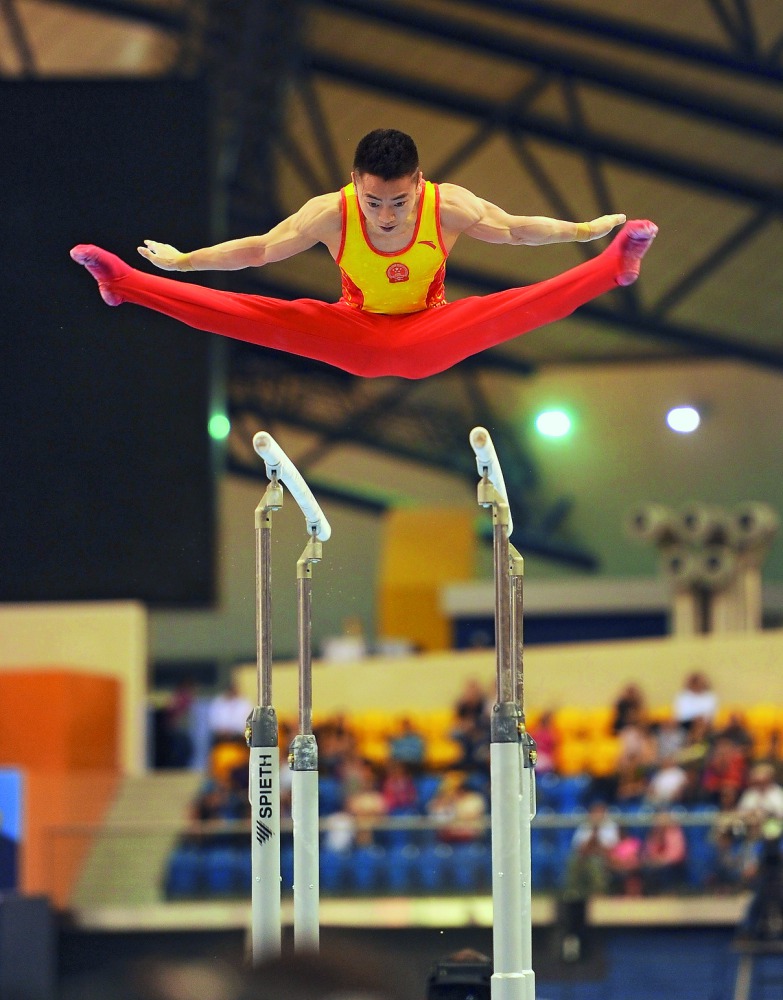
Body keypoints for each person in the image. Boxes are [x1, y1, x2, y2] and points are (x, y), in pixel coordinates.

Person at [70, 128, 658, 380]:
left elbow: (515, 231)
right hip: (355, 333)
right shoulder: (330, 211)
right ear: (354, 182)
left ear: (420, 183)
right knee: (261, 317)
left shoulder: (447, 205)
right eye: (374, 201)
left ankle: (614, 266)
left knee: (510, 306)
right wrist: (186, 260)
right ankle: (124, 282)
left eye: (400, 201)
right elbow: (260, 250)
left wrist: (582, 232)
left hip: (431, 331)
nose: (386, 214)